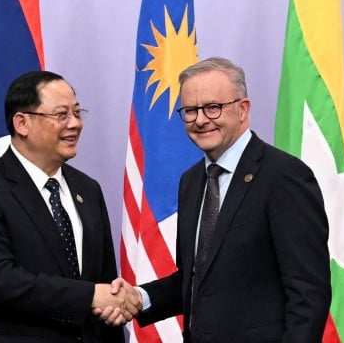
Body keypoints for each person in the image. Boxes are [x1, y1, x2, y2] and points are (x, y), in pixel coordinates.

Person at [131, 56, 331, 342]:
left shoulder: (284, 176)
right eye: (190, 110)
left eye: (213, 108)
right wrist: (140, 298)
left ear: (243, 109)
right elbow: (198, 279)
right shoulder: (191, 181)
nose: (200, 120)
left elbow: (309, 293)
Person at [0, 70, 142, 342]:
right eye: (61, 115)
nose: (75, 124)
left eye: (77, 112)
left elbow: (104, 282)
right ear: (22, 123)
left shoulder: (88, 189)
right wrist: (89, 296)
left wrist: (112, 302)